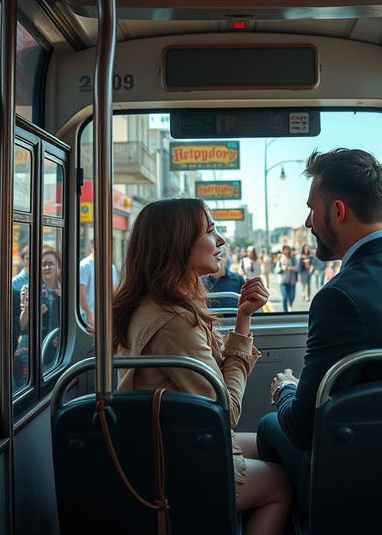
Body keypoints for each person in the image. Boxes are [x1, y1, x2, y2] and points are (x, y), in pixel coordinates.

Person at [256, 149, 382, 510]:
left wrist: (285, 389)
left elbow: (301, 430)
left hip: (363, 465)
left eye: (313, 209)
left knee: (271, 423)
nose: (308, 223)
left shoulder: (338, 296)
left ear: (338, 211)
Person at [114, 199, 291, 535]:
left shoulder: (153, 305)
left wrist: (243, 317)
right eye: (210, 231)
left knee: (274, 441)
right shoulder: (175, 320)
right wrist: (243, 326)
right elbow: (224, 411)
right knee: (281, 483)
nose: (221, 241)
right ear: (178, 244)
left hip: (162, 443)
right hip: (178, 462)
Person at [79, 239, 118, 327]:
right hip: (87, 316)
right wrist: (89, 315)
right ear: (92, 247)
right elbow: (81, 292)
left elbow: (113, 291)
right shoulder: (84, 266)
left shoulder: (111, 267)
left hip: (104, 315)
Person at [275, 245, 297, 312]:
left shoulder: (293, 259)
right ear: (283, 251)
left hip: (292, 281)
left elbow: (298, 267)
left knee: (292, 297)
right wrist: (284, 268)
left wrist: (292, 268)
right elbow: (276, 270)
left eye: (288, 250)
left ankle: (290, 304)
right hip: (283, 281)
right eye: (285, 250)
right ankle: (285, 311)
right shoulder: (280, 259)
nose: (287, 251)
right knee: (284, 296)